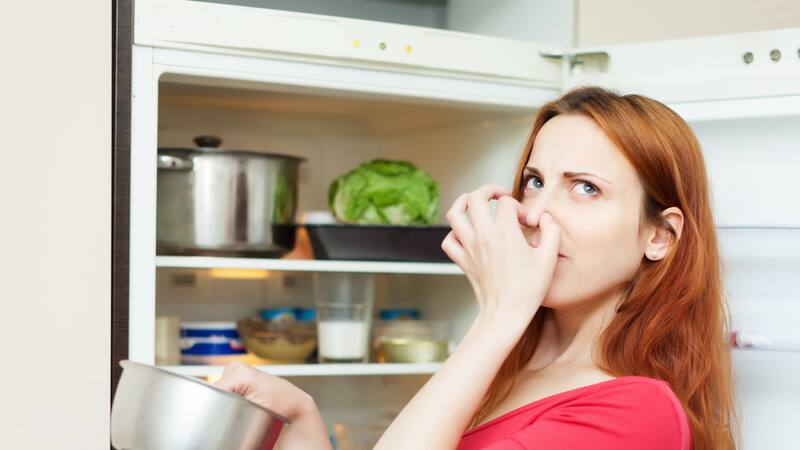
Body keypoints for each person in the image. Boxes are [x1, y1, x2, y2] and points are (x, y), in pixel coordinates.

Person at [213, 86, 739, 450]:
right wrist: (302, 420)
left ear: (659, 237)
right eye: (534, 181)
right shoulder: (508, 372)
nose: (534, 214)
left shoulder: (636, 413)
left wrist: (500, 314)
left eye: (586, 188)